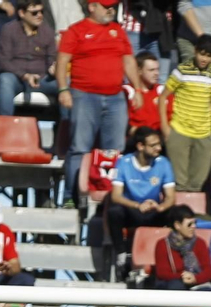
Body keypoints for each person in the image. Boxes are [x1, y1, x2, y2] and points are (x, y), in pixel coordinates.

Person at [57, 0, 139, 207]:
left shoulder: (118, 31)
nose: (110, 9)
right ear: (92, 6)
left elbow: (128, 60)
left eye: (112, 6)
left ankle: (111, 196)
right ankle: (71, 196)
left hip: (115, 97)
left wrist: (137, 88)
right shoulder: (76, 31)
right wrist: (63, 89)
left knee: (114, 151)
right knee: (79, 147)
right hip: (84, 95)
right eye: (106, 6)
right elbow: (62, 61)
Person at [163, 34, 211, 192]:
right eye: (202, 54)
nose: (204, 59)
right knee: (179, 182)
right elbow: (163, 98)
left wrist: (209, 110)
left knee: (197, 181)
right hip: (180, 130)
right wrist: (165, 128)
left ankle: (194, 215)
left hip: (203, 133)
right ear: (195, 51)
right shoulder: (182, 71)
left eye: (208, 56)